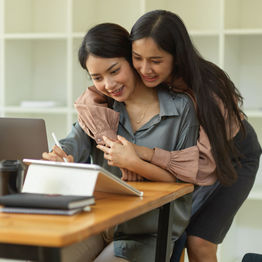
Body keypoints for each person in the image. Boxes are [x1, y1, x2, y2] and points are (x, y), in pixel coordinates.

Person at [75, 10, 262, 262]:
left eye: (155, 60)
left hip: (233, 155)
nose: (144, 68)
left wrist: (138, 154)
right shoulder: (149, 79)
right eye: (137, 58)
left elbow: (200, 170)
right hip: (194, 158)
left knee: (199, 241)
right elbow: (92, 96)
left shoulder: (205, 93)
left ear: (177, 56)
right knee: (177, 232)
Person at [42, 22, 199, 261]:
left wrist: (135, 161)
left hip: (149, 234)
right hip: (98, 224)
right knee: (44, 255)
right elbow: (73, 141)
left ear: (132, 61)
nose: (108, 84)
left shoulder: (180, 108)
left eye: (114, 71)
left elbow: (183, 179)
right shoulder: (99, 107)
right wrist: (59, 154)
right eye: (97, 77)